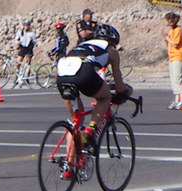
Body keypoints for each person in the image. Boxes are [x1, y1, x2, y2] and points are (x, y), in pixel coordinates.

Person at [57, 24, 133, 178]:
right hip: (82, 70)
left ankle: (69, 167)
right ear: (113, 41)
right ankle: (91, 130)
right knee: (105, 97)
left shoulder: (83, 45)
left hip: (62, 70)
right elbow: (119, 85)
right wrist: (125, 92)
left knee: (75, 121)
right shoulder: (111, 50)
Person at [161, 12, 182, 110]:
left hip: (178, 57)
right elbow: (170, 45)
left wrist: (167, 37)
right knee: (173, 80)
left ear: (171, 21)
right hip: (172, 57)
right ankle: (177, 100)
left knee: (178, 79)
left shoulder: (178, 30)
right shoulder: (172, 30)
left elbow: (175, 44)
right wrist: (166, 38)